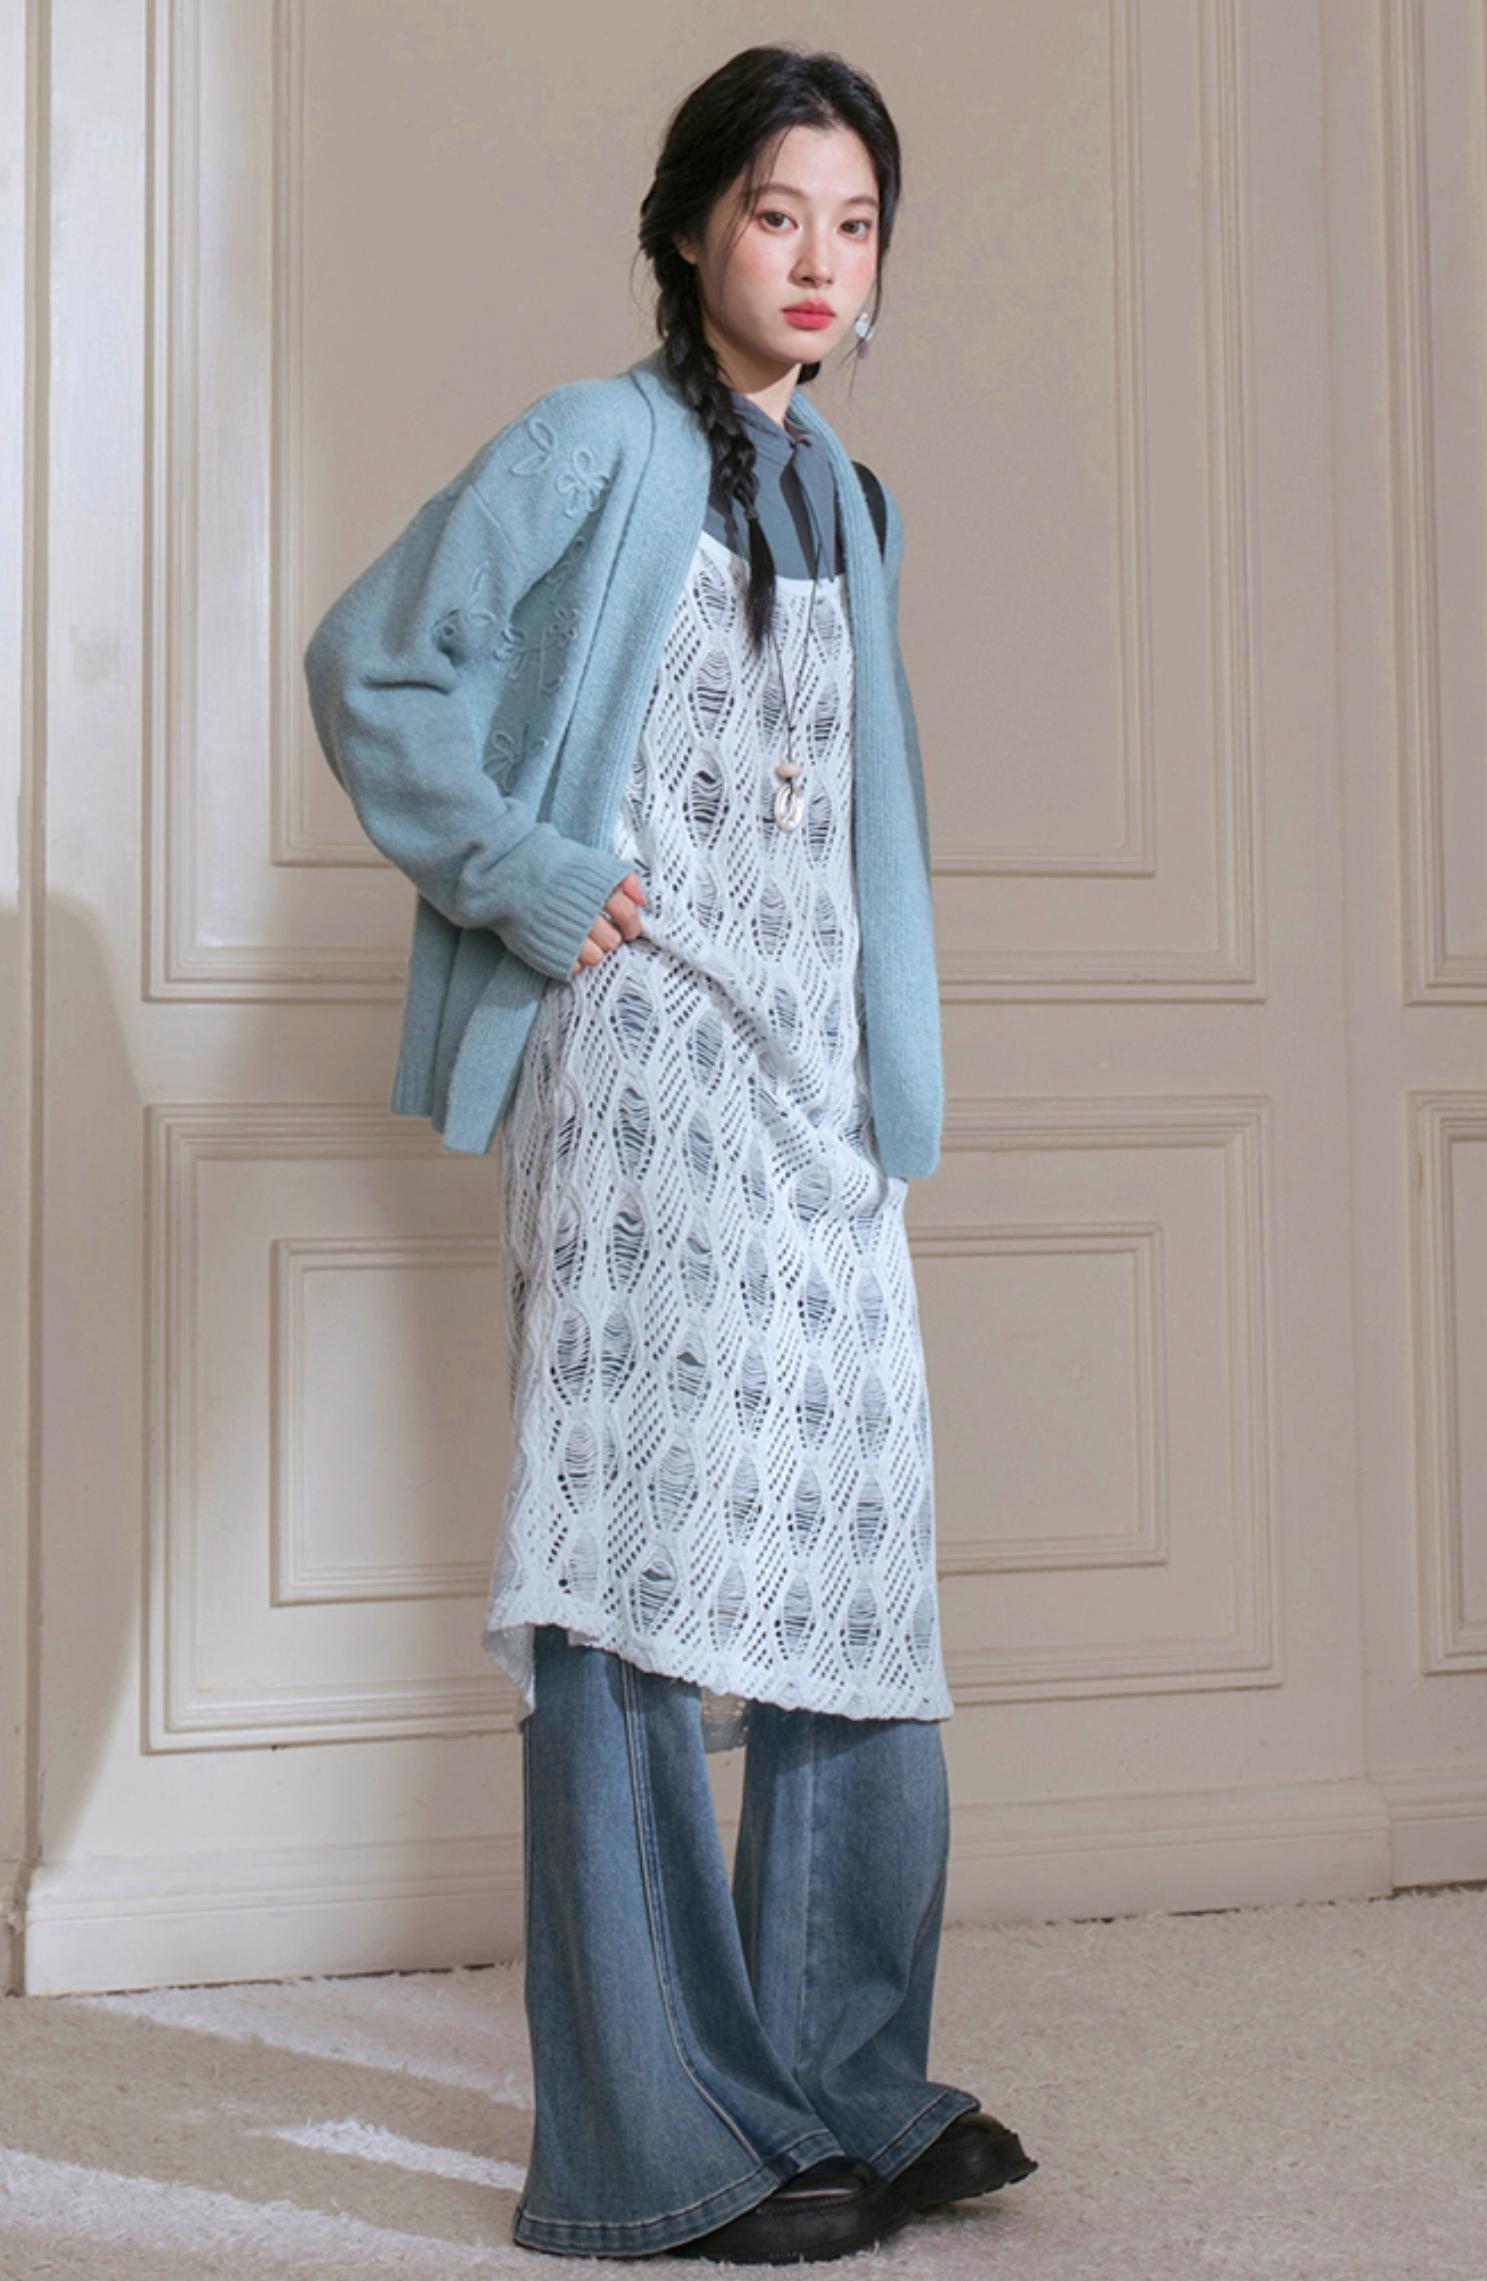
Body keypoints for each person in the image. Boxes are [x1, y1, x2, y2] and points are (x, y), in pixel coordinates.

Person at [305, 38, 1037, 2265]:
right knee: (630, 1575)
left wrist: (887, 1081)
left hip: (812, 1092)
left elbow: (860, 830)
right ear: (692, 227)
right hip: (634, 1067)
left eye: (853, 224)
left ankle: (837, 2079)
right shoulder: (591, 445)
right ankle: (659, 2138)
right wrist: (526, 873)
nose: (815, 259)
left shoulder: (852, 502)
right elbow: (373, 663)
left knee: (847, 1561)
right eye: (774, 213)